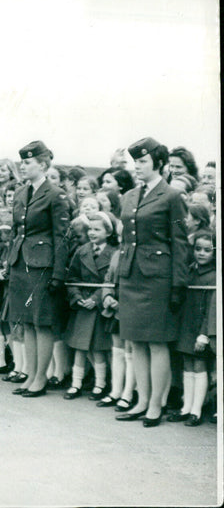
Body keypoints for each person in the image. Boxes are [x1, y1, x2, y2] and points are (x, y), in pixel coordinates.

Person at [114, 137, 190, 427]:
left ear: (159, 164)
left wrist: (177, 285)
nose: (138, 167)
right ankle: (142, 400)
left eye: (143, 162)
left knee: (157, 344)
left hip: (158, 278)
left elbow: (180, 243)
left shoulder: (171, 197)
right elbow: (125, 240)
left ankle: (156, 405)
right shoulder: (131, 195)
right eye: (135, 162)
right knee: (136, 342)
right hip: (132, 276)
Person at [6, 140, 70, 397]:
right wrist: (9, 262)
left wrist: (58, 273)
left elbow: (62, 237)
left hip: (43, 266)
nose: (23, 166)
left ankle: (40, 378)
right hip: (21, 263)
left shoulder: (55, 195)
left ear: (43, 164)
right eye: (22, 162)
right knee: (27, 324)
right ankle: (31, 375)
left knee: (41, 323)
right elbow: (15, 231)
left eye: (28, 162)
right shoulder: (22, 193)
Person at [63, 212, 117, 400]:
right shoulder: (82, 250)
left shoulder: (113, 253)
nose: (92, 233)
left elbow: (109, 282)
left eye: (97, 229)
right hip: (82, 306)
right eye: (90, 229)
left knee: (97, 349)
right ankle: (76, 383)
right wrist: (77, 296)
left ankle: (99, 384)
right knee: (79, 348)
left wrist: (95, 299)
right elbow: (73, 277)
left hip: (98, 307)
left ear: (108, 232)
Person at [170, 229, 215, 427]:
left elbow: (212, 310)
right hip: (185, 325)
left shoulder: (214, 276)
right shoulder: (188, 270)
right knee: (187, 365)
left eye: (207, 250)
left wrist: (204, 334)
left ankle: (196, 410)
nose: (202, 253)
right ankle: (185, 407)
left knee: (199, 366)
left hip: (201, 327)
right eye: (198, 249)